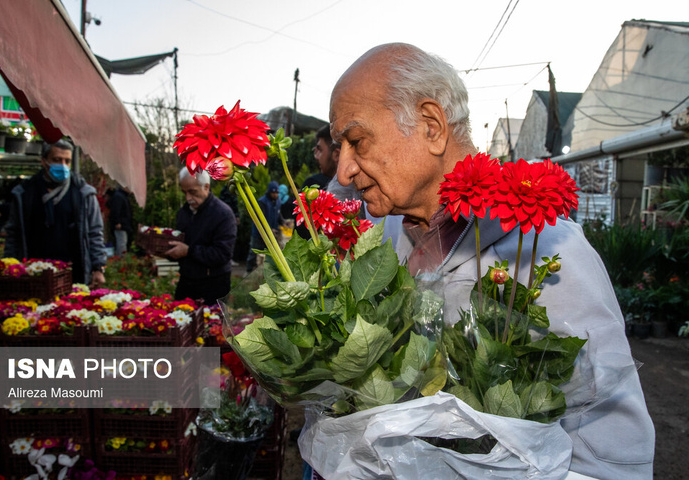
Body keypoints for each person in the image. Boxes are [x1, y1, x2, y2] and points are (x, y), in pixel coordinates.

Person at [328, 43, 654, 479]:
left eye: (356, 141)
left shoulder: (548, 247)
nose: (344, 170)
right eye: (339, 148)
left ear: (431, 126)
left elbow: (613, 458)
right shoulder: (381, 242)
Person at [4, 140, 106, 287]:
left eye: (67, 161)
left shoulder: (82, 193)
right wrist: (9, 264)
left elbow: (94, 232)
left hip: (74, 272)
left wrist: (98, 267)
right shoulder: (25, 193)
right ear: (44, 161)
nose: (63, 165)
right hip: (34, 272)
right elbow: (13, 233)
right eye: (57, 160)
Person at [166, 167, 236, 305]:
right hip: (187, 282)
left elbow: (223, 253)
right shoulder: (184, 212)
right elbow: (181, 242)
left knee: (211, 325)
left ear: (206, 187)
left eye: (192, 192)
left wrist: (188, 251)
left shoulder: (223, 214)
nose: (188, 198)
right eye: (184, 192)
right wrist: (167, 251)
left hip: (214, 284)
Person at [246, 181, 282, 273]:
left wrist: (284, 222)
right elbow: (259, 218)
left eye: (276, 193)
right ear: (269, 192)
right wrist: (269, 229)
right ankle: (248, 271)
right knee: (254, 251)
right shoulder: (262, 202)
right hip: (259, 233)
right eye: (273, 193)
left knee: (269, 254)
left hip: (271, 234)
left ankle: (265, 272)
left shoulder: (278, 201)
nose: (275, 195)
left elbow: (278, 215)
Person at [107, 185, 133, 256]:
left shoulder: (122, 196)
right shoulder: (119, 197)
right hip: (121, 224)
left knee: (122, 242)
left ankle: (121, 258)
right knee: (122, 242)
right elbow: (115, 210)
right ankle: (121, 259)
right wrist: (117, 222)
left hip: (123, 224)